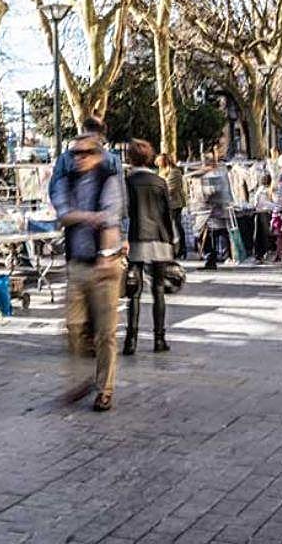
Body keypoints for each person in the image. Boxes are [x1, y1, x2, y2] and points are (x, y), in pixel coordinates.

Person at [52, 133, 124, 411]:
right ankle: (83, 378)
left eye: (86, 153)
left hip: (104, 265)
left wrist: (106, 255)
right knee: (73, 327)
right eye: (75, 153)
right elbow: (63, 214)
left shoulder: (109, 180)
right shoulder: (66, 181)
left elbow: (111, 219)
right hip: (77, 264)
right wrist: (90, 216)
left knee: (106, 333)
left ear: (98, 156)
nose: (79, 158)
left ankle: (104, 389)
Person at [123, 140, 173, 355]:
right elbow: (167, 214)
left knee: (133, 292)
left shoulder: (128, 182)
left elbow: (124, 212)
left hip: (136, 238)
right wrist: (172, 240)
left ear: (130, 158)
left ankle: (131, 340)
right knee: (159, 290)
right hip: (159, 238)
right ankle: (159, 339)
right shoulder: (160, 182)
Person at [189, 159, 232, 269]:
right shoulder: (220, 174)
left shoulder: (213, 175)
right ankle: (218, 257)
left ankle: (214, 258)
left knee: (209, 234)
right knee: (217, 234)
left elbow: (211, 192)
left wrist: (202, 198)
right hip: (213, 210)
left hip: (210, 211)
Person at [156, 153, 187, 259]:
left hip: (174, 204)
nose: (157, 163)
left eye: (159, 161)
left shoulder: (174, 172)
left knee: (175, 226)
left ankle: (180, 249)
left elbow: (169, 188)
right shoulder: (162, 171)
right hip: (164, 204)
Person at [252, 174, 276, 262]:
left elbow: (256, 203)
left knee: (258, 234)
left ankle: (259, 254)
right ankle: (264, 253)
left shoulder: (259, 190)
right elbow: (267, 203)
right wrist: (275, 206)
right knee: (266, 234)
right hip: (265, 213)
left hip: (259, 213)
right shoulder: (266, 190)